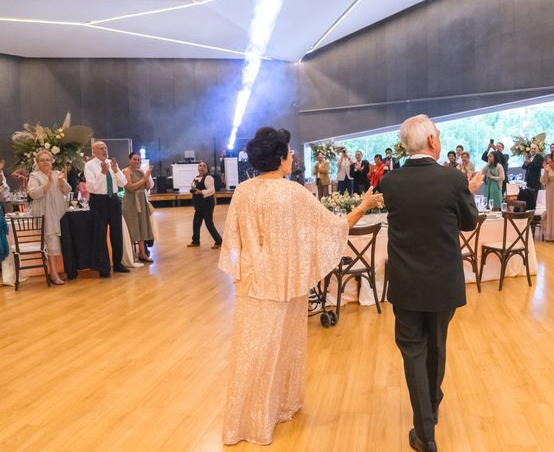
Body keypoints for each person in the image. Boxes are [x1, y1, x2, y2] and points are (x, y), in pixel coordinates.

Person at [219, 126, 382, 446]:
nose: (292, 156)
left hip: (251, 282)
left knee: (251, 350)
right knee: (280, 347)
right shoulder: (292, 192)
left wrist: (242, 272)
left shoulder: (243, 191)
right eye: (290, 152)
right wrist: (363, 206)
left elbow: (231, 243)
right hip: (285, 281)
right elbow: (333, 228)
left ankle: (244, 418)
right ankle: (272, 410)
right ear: (279, 157)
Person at [378, 115, 482, 452]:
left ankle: (425, 433)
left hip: (406, 283)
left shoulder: (390, 182)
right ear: (433, 142)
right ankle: (430, 413)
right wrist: (468, 192)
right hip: (442, 281)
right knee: (437, 346)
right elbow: (468, 223)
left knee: (412, 352)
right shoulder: (452, 179)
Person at [27, 150, 72, 285]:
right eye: (42, 160)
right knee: (51, 240)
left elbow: (68, 190)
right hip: (44, 213)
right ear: (37, 163)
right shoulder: (34, 176)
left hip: (59, 212)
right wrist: (48, 183)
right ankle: (53, 273)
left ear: (52, 161)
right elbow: (33, 194)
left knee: (59, 241)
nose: (45, 162)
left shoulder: (57, 174)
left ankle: (57, 269)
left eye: (48, 160)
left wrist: (61, 181)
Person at [84, 141, 129, 276]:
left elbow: (124, 183)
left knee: (117, 233)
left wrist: (115, 170)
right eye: (101, 148)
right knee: (100, 234)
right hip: (99, 201)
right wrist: (102, 174)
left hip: (114, 200)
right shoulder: (89, 165)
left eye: (106, 148)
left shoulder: (112, 163)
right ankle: (103, 267)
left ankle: (118, 264)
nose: (104, 150)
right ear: (94, 151)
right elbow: (91, 187)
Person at [122, 152, 154, 262]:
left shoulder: (140, 171)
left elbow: (148, 187)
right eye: (134, 159)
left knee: (141, 226)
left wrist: (147, 176)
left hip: (141, 200)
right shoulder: (126, 171)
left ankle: (142, 253)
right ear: (129, 160)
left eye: (138, 160)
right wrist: (144, 178)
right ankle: (130, 254)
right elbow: (131, 188)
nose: (137, 162)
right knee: (132, 226)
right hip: (130, 201)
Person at [187, 161, 223, 249]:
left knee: (209, 224)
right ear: (198, 168)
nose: (201, 168)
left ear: (206, 169)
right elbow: (194, 188)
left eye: (203, 166)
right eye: (200, 166)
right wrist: (192, 191)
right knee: (196, 223)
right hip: (199, 204)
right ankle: (195, 241)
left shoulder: (208, 178)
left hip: (207, 204)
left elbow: (212, 190)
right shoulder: (196, 178)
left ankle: (219, 242)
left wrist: (200, 192)